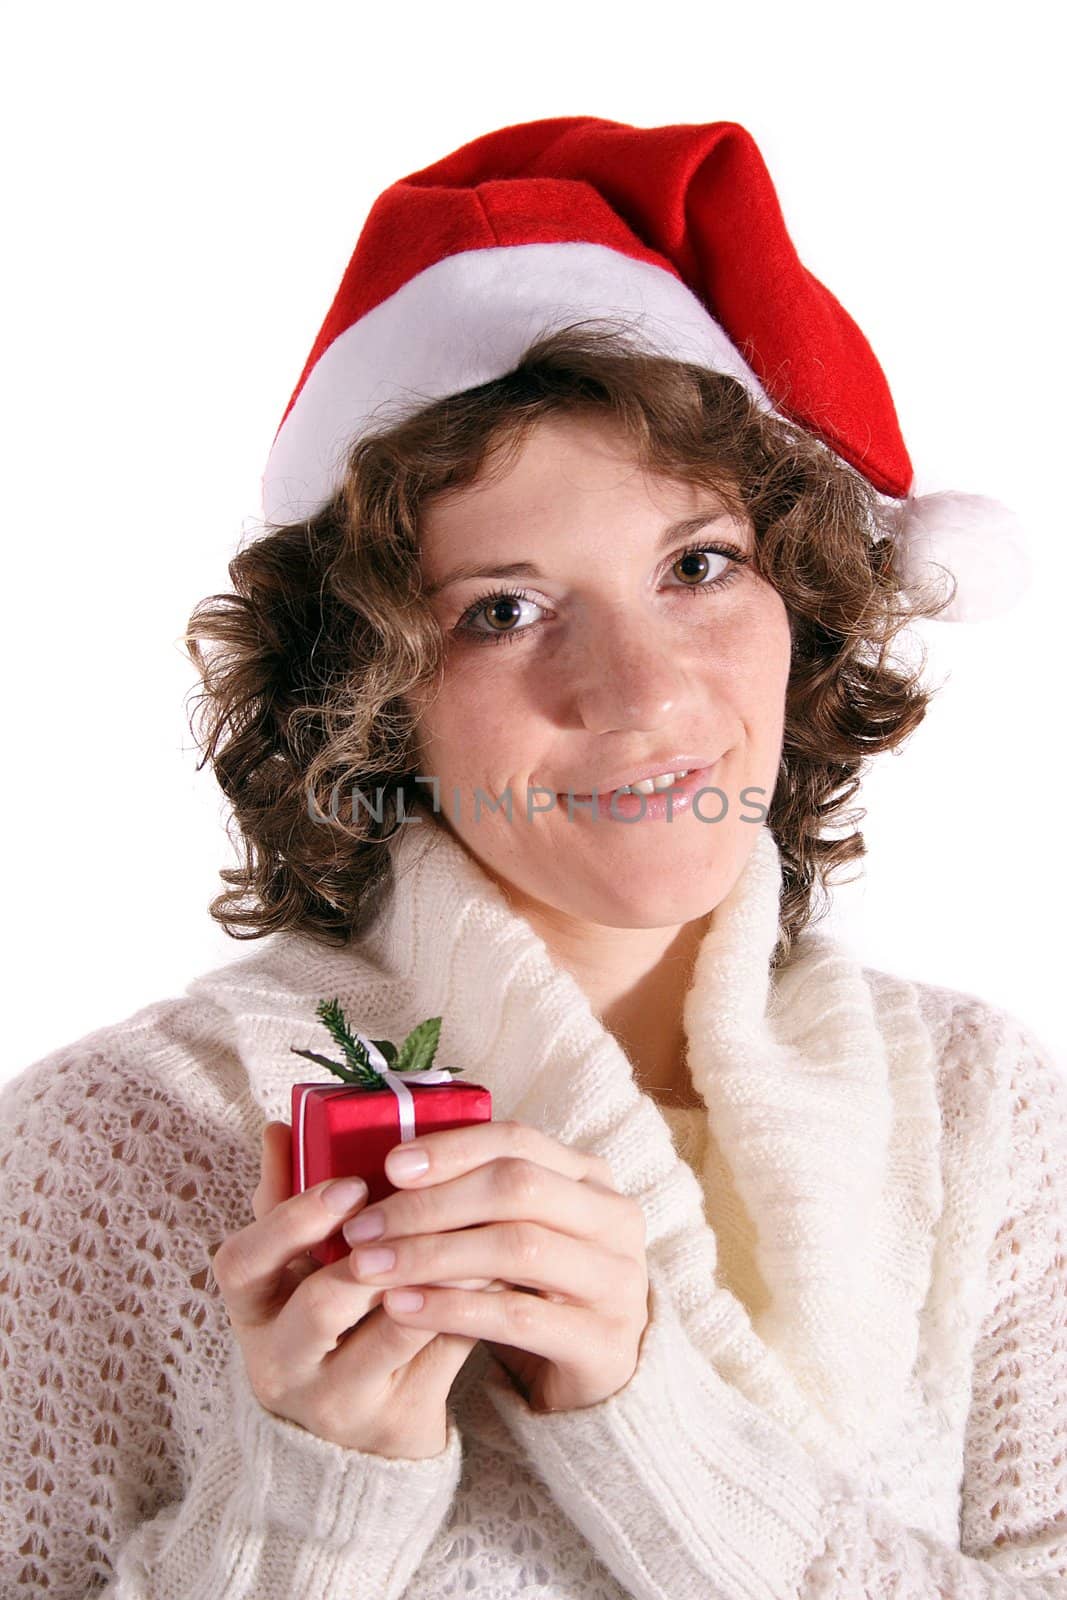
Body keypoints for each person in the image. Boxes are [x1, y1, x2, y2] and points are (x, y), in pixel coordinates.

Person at [1, 116, 1063, 1600]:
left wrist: (650, 1415)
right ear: (370, 691)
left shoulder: (984, 1120)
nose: (641, 695)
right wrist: (307, 1507)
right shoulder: (124, 1146)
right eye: (503, 609)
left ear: (808, 595)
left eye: (697, 566)